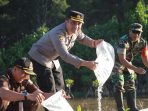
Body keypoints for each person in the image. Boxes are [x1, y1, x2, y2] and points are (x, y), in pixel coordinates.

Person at [28, 10, 103, 94]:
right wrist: (86, 63)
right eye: (73, 23)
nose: (76, 26)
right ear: (66, 21)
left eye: (79, 24)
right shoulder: (58, 33)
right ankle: (50, 106)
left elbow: (83, 38)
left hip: (53, 59)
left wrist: (94, 43)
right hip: (39, 58)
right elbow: (65, 55)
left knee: (60, 87)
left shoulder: (76, 30)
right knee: (49, 89)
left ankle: (60, 105)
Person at [112, 23, 148, 111]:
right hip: (117, 62)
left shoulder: (143, 43)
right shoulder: (123, 40)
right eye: (135, 32)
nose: (137, 34)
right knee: (119, 84)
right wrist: (136, 69)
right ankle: (120, 108)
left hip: (128, 62)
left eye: (139, 32)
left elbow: (145, 58)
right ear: (129, 32)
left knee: (131, 84)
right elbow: (122, 59)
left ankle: (132, 108)